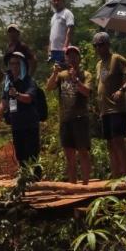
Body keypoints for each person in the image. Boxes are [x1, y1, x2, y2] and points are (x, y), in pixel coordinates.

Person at [46, 46, 94, 184]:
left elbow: (87, 92)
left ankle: (86, 184)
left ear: (79, 58)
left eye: (74, 55)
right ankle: (73, 185)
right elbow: (49, 87)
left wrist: (76, 79)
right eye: (69, 56)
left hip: (80, 118)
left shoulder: (86, 75)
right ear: (65, 58)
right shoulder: (61, 75)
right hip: (65, 119)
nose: (72, 58)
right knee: (69, 155)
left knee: (83, 152)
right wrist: (54, 73)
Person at [92, 32, 126, 177]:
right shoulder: (98, 64)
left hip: (116, 108)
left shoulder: (115, 58)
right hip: (104, 110)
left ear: (108, 44)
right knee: (109, 143)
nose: (99, 48)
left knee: (118, 141)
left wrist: (122, 90)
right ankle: (116, 173)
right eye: (96, 45)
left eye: (101, 44)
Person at [0, 52, 42, 175]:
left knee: (32, 155)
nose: (14, 66)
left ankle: (36, 181)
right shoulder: (9, 83)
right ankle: (25, 181)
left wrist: (17, 95)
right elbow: (4, 102)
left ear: (22, 65)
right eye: (11, 63)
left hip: (30, 124)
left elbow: (29, 98)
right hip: (16, 124)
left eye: (17, 64)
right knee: (20, 155)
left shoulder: (29, 81)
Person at [47, 0, 75, 65]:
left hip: (63, 50)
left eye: (58, 0)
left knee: (65, 73)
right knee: (56, 73)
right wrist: (49, 49)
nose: (56, 2)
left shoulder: (67, 13)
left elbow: (70, 29)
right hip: (54, 51)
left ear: (63, 1)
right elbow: (52, 34)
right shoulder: (53, 16)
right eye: (54, 0)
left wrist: (65, 47)